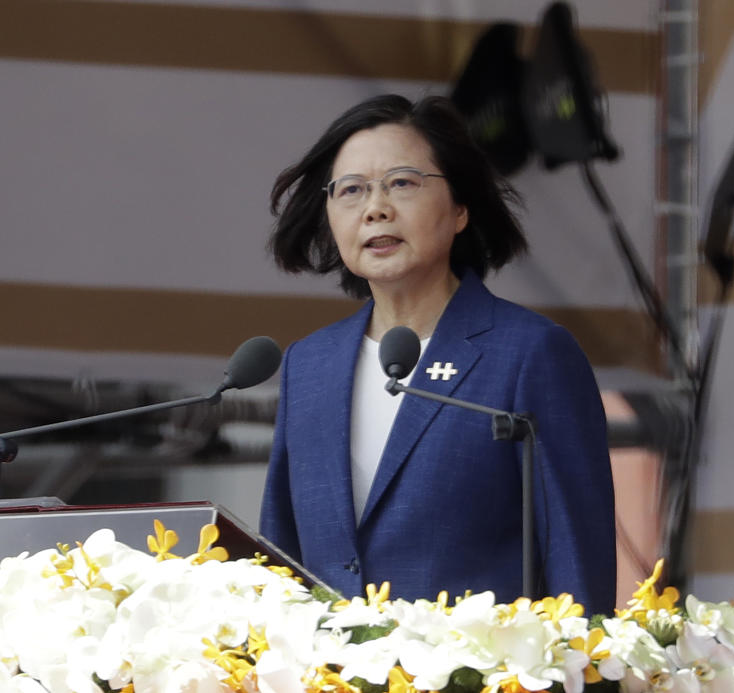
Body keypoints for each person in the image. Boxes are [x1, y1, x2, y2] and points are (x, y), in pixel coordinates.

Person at [259, 93, 615, 615]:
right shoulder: (309, 365)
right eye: (352, 190)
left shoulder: (529, 353)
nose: (375, 207)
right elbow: (279, 563)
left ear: (461, 209)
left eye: (401, 183)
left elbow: (577, 566)